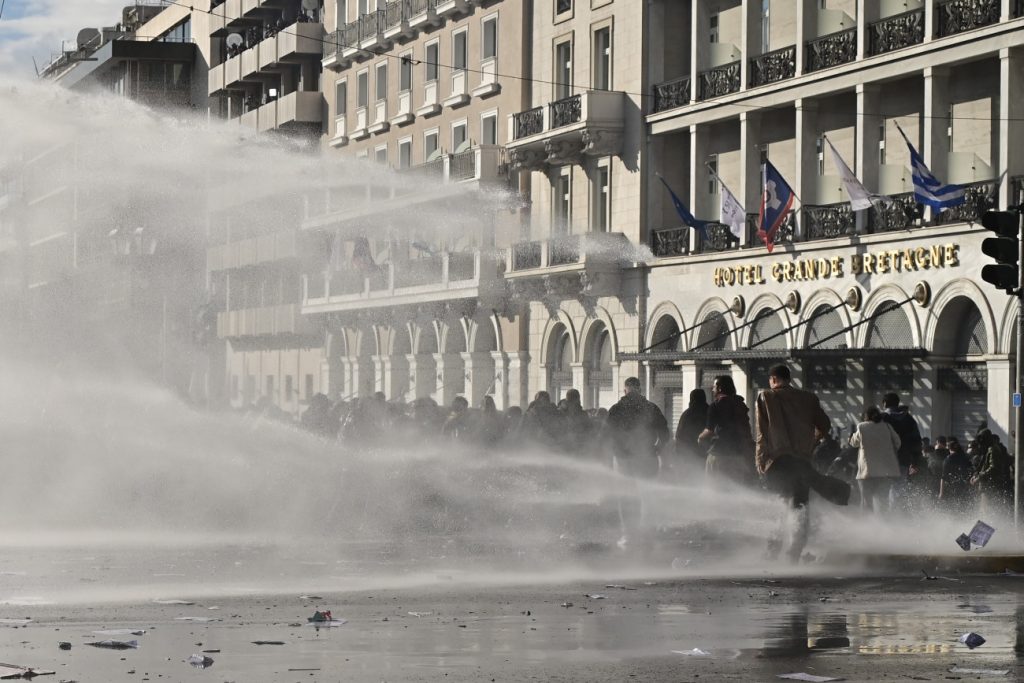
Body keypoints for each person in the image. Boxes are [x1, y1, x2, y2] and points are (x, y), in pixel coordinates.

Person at [755, 364, 834, 563]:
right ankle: (794, 554)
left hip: (778, 462)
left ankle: (772, 552)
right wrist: (812, 442)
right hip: (802, 461)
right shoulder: (809, 398)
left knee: (779, 505)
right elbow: (825, 425)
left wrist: (760, 461)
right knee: (800, 507)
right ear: (788, 378)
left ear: (773, 379)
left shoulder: (767, 397)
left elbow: (762, 434)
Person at [602, 377, 670, 549]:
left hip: (623, 460)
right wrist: (658, 448)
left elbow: (606, 435)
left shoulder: (616, 409)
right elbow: (664, 432)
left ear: (625, 390)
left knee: (626, 496)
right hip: (646, 457)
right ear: (639, 389)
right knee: (648, 495)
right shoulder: (650, 408)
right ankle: (647, 533)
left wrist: (610, 455)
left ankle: (629, 534)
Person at [699, 376, 755, 485]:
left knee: (714, 488)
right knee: (735, 488)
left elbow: (709, 431)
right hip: (738, 455)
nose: (712, 389)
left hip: (719, 453)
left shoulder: (715, 405)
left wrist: (700, 437)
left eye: (714, 386)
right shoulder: (740, 405)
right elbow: (746, 429)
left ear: (719, 388)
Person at [848, 406, 901, 513]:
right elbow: (898, 443)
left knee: (866, 502)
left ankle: (869, 526)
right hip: (885, 472)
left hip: (867, 473)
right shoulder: (887, 426)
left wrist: (851, 436)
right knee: (883, 502)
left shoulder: (862, 427)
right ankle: (883, 525)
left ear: (865, 417)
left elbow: (854, 443)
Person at [880, 392, 924, 509]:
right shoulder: (909, 419)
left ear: (884, 404)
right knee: (898, 489)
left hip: (882, 462)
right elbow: (916, 441)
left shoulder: (881, 418)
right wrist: (915, 461)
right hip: (902, 461)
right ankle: (894, 515)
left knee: (880, 490)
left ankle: (881, 517)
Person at [972, 429, 1014, 518]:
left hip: (990, 486)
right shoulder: (989, 449)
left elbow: (993, 468)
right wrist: (976, 475)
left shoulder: (992, 449)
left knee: (986, 512)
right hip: (988, 485)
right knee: (984, 511)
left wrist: (979, 477)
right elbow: (983, 465)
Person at [939, 436, 974, 513]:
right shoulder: (966, 457)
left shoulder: (948, 460)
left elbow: (943, 477)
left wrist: (941, 493)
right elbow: (971, 471)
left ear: (949, 448)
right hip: (965, 487)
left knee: (953, 509)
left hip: (953, 488)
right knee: (964, 509)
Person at [675, 389, 709, 464]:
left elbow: (679, 435)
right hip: (706, 455)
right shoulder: (710, 412)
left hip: (689, 456)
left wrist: (679, 453)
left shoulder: (686, 414)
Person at [560, 389, 593, 454]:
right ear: (578, 398)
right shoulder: (582, 414)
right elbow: (589, 429)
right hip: (578, 445)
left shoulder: (560, 412)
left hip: (565, 445)